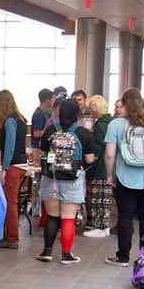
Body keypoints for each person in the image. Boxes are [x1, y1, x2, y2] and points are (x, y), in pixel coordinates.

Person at [32, 99, 96, 264]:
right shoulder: (83, 133)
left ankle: (46, 252)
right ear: (77, 114)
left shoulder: (51, 130)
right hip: (73, 178)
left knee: (52, 216)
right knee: (68, 217)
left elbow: (43, 153)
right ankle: (66, 254)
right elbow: (89, 159)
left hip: (51, 178)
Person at [104, 88, 144, 266]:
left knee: (125, 217)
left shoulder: (116, 124)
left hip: (125, 177)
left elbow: (109, 153)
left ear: (124, 104)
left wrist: (109, 175)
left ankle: (123, 257)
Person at [0, 90, 28, 250]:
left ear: (2, 103)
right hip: (22, 164)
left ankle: (12, 237)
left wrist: (4, 168)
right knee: (11, 202)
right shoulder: (21, 119)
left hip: (13, 166)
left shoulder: (9, 121)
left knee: (10, 203)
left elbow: (10, 147)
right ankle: (9, 236)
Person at [82, 95, 116, 237]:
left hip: (101, 166)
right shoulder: (111, 122)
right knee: (104, 198)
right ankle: (103, 226)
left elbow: (100, 146)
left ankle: (100, 226)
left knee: (99, 197)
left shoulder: (101, 125)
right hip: (108, 166)